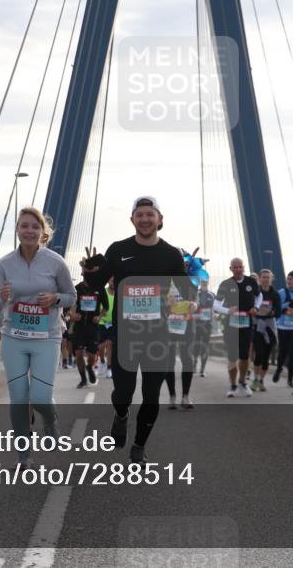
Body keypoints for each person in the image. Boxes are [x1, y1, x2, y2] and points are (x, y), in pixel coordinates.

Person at [80, 196, 196, 463]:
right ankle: (121, 416)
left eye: (150, 214)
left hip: (158, 336)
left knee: (151, 394)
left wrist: (184, 304)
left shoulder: (170, 254)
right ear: (132, 219)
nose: (145, 219)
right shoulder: (118, 249)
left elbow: (186, 292)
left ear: (160, 219)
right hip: (126, 334)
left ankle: (139, 446)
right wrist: (90, 270)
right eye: (140, 214)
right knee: (123, 392)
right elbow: (97, 283)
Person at [0, 206, 76, 469]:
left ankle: (49, 420)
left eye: (35, 227)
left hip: (47, 336)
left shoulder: (55, 262)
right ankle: (23, 456)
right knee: (19, 396)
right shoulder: (4, 264)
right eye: (24, 226)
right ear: (17, 230)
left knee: (39, 395)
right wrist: (2, 298)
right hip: (13, 336)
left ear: (42, 233)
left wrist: (55, 298)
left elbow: (71, 297)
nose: (29, 231)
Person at [214, 258, 261, 398]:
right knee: (232, 357)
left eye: (240, 267)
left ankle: (243, 382)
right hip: (231, 325)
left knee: (245, 356)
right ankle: (233, 385)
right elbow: (216, 305)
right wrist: (227, 310)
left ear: (244, 268)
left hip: (246, 323)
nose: (238, 269)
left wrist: (256, 307)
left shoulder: (251, 282)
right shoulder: (225, 284)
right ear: (231, 269)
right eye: (235, 267)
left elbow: (259, 296)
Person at [70, 272, 108, 389]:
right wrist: (73, 315)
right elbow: (67, 307)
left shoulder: (100, 289)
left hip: (93, 327)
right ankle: (83, 379)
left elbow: (106, 307)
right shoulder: (76, 289)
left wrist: (100, 317)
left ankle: (89, 367)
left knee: (91, 355)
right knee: (79, 354)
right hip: (79, 326)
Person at [251, 269, 281, 392]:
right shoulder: (255, 292)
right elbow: (250, 306)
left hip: (270, 327)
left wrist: (268, 312)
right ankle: (255, 379)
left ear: (271, 278)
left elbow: (278, 312)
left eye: (267, 277)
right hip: (257, 326)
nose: (265, 279)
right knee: (259, 353)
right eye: (263, 277)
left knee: (266, 356)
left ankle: (261, 381)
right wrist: (257, 311)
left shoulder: (275, 294)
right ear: (260, 278)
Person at [273, 271, 293, 386]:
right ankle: (279, 368)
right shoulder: (281, 292)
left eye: (291, 279)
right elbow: (277, 307)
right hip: (282, 327)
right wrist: (288, 306)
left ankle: (290, 379)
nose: (289, 281)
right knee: (282, 352)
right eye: (288, 279)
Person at [191, 278, 215, 377]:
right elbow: (191, 308)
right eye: (202, 281)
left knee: (205, 346)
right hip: (196, 323)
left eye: (206, 281)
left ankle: (202, 369)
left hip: (207, 324)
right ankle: (195, 363)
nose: (204, 283)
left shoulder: (212, 294)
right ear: (200, 282)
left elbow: (214, 308)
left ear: (208, 282)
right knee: (196, 345)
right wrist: (193, 315)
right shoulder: (195, 293)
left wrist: (214, 315)